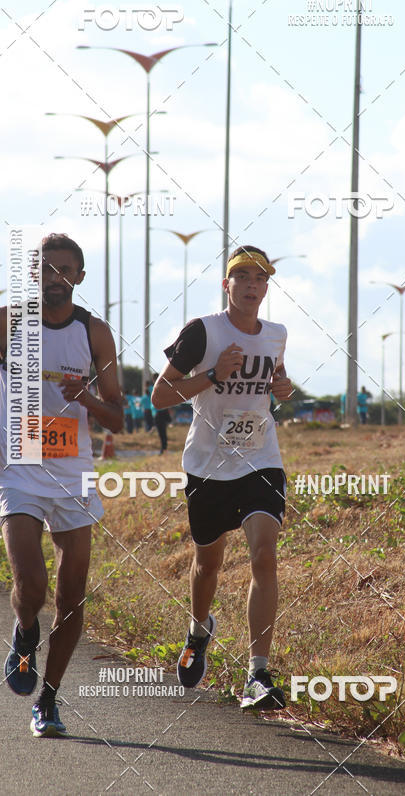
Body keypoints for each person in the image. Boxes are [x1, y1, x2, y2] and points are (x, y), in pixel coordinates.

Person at [0, 233, 123, 738]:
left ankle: (49, 699)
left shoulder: (96, 334)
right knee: (33, 586)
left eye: (65, 270)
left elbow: (120, 417)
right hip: (17, 470)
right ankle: (25, 633)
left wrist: (87, 398)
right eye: (46, 269)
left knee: (72, 597)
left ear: (79, 277)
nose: (55, 278)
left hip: (73, 474)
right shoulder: (8, 321)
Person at [152, 245, 292, 710]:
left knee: (264, 555)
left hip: (260, 459)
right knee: (208, 565)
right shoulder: (202, 332)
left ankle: (258, 674)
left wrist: (283, 389)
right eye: (243, 276)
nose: (253, 284)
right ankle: (198, 629)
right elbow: (159, 396)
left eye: (260, 277)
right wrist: (213, 373)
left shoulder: (276, 335)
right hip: (208, 466)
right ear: (227, 285)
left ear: (267, 288)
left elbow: (277, 382)